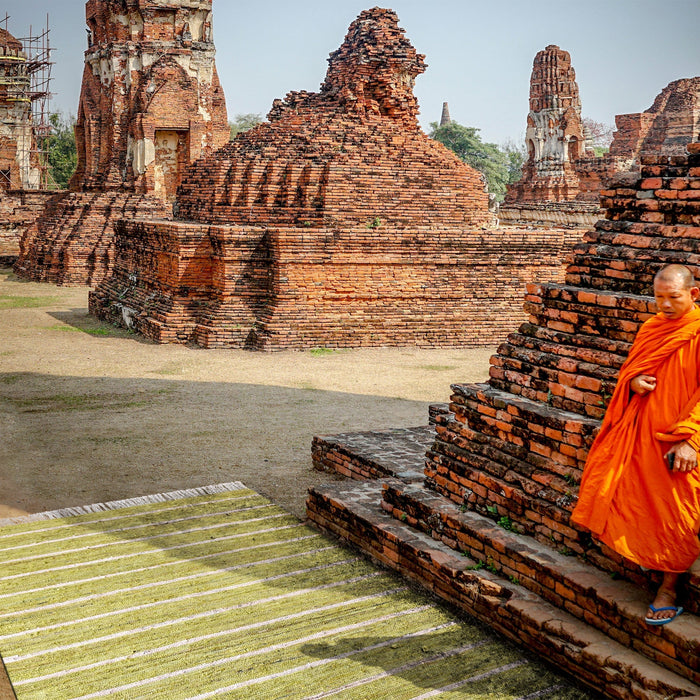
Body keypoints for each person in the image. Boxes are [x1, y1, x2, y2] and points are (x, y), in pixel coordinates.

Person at [571, 264, 700, 625]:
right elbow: (631, 371)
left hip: (681, 439)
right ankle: (642, 562)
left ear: (693, 295)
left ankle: (668, 588)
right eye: (659, 297)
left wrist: (690, 441)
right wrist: (633, 383)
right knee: (627, 495)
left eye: (673, 297)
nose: (665, 305)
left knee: (676, 512)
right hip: (643, 430)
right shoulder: (651, 328)